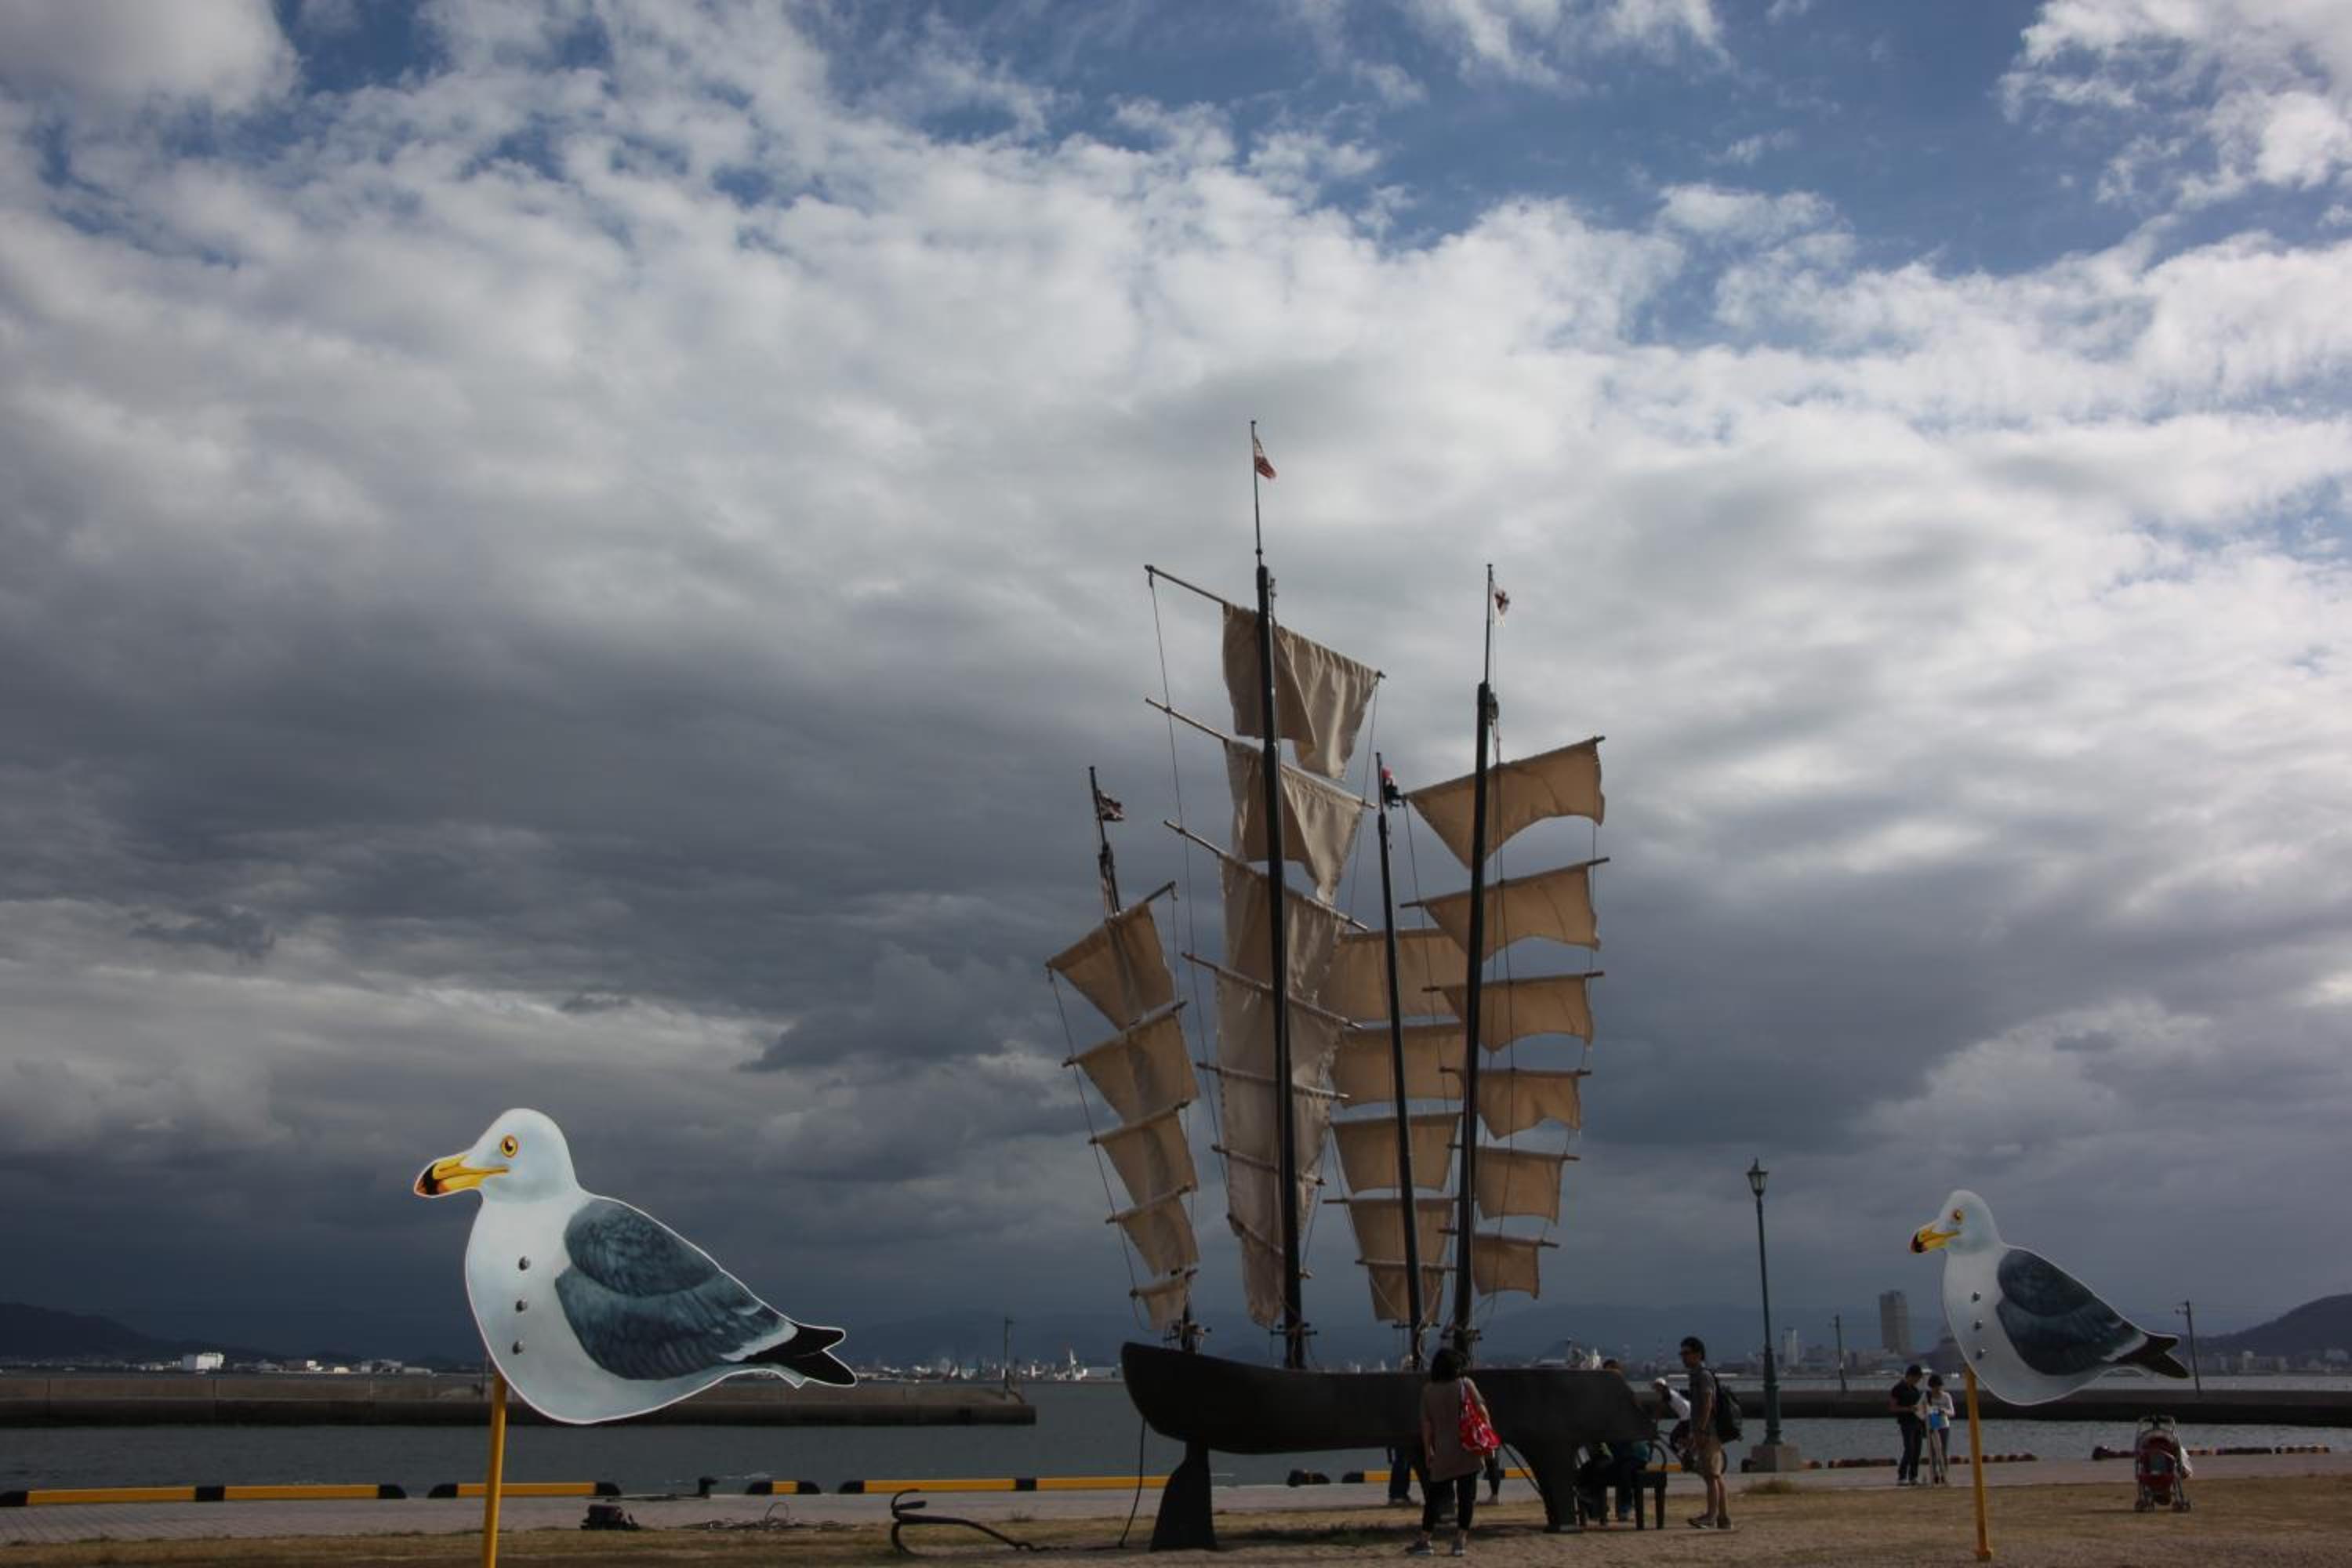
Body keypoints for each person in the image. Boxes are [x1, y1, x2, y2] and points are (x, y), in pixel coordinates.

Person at [1409, 1347, 1492, 1557]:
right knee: (1466, 1497)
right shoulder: (1465, 1384)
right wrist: (1487, 1437)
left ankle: (1425, 1540)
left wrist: (1428, 1451)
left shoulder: (1428, 1391)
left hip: (1443, 1451)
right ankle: (1460, 1541)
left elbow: (1427, 1426)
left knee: (1434, 1498)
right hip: (1467, 1448)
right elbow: (1482, 1411)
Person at [1679, 1336, 1731, 1531]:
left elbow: (1708, 1403)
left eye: (1686, 1353)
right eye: (1682, 1354)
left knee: (1711, 1476)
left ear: (1698, 1354)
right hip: (1704, 1431)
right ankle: (1723, 1518)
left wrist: (1700, 1429)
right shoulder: (1695, 1376)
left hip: (1708, 1432)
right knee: (1715, 1476)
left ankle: (1711, 1516)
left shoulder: (1703, 1376)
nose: (1683, 1357)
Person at [1889, 1365, 1926, 1485]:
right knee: (1909, 1449)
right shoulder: (1898, 1388)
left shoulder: (1915, 1390)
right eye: (1917, 1378)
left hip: (1918, 1422)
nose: (1918, 1381)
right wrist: (1908, 1409)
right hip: (1906, 1423)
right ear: (1911, 1376)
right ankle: (1902, 1476)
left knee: (1917, 1451)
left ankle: (1913, 1476)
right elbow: (1893, 1407)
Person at [1922, 1374, 1955, 1484]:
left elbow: (1952, 1412)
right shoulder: (1926, 1396)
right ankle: (1934, 1474)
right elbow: (1920, 1409)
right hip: (1931, 1425)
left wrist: (1944, 1411)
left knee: (1943, 1450)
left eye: (1939, 1386)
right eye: (1935, 1387)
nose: (1937, 1389)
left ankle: (1944, 1474)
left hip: (1944, 1425)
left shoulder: (1946, 1396)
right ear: (1931, 1387)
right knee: (1933, 1451)